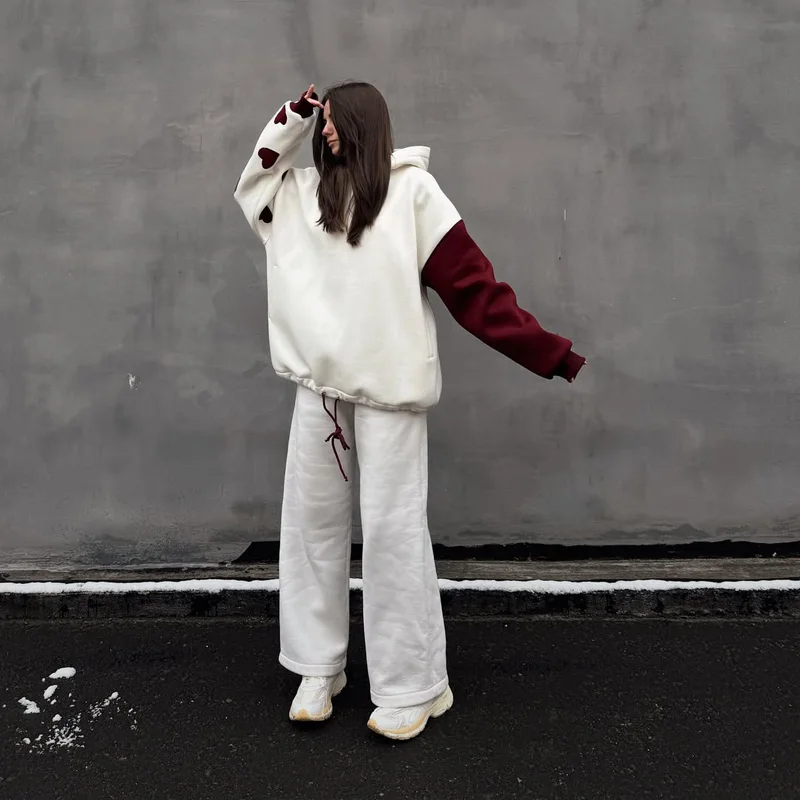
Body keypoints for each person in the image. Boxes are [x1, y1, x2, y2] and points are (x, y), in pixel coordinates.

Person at [233, 82, 585, 741]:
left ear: (367, 123)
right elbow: (253, 180)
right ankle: (317, 667)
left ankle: (414, 686)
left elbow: (474, 290)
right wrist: (292, 117)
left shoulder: (414, 194)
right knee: (310, 529)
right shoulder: (301, 195)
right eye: (322, 122)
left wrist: (549, 353)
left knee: (393, 533)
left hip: (390, 393)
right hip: (320, 390)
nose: (327, 132)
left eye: (336, 120)